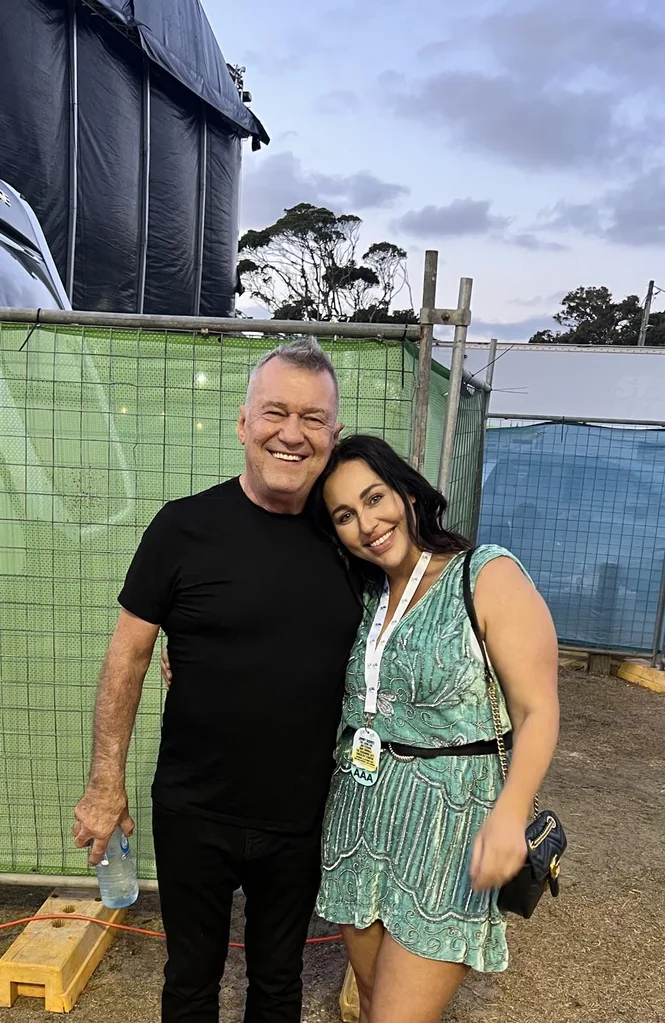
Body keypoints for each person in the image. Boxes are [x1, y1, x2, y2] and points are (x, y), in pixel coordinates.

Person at [73, 338, 362, 1023]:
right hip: (194, 807)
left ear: (333, 436)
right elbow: (127, 658)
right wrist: (105, 784)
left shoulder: (352, 542)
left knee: (278, 982)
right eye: (275, 412)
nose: (291, 433)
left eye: (313, 419)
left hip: (299, 814)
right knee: (190, 980)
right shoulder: (183, 527)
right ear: (243, 423)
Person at [309, 434, 560, 1023]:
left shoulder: (485, 574)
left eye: (374, 498)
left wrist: (511, 812)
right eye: (345, 515)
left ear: (408, 493)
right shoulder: (364, 592)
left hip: (448, 829)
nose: (367, 524)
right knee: (370, 1001)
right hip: (360, 820)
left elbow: (538, 710)